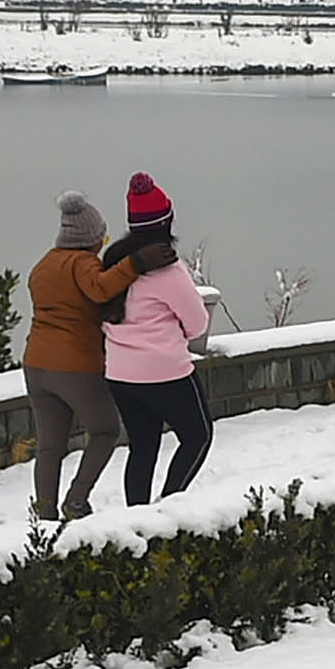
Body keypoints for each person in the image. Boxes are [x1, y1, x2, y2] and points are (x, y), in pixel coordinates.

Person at [99, 171, 214, 502]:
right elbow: (197, 323)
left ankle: (137, 519)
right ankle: (168, 506)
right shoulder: (168, 269)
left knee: (143, 445)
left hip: (120, 374)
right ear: (167, 221)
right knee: (198, 436)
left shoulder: (113, 261)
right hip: (166, 372)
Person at [22, 192, 131, 521]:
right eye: (103, 237)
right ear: (91, 239)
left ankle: (44, 515)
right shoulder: (83, 263)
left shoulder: (45, 264)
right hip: (74, 367)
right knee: (105, 430)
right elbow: (101, 288)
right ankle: (76, 501)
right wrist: (135, 264)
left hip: (36, 365)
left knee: (50, 446)